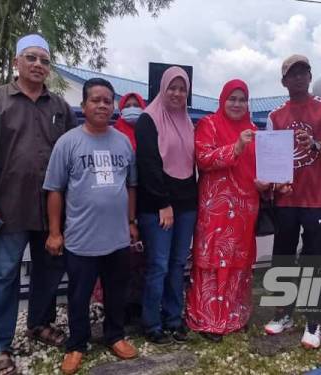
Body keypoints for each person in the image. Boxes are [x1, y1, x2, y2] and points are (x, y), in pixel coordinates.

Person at [0, 34, 77, 374]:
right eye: (31, 58)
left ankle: (39, 324)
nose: (38, 64)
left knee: (49, 271)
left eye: (44, 60)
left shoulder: (60, 107)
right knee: (1, 276)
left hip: (51, 211)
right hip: (8, 208)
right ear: (16, 62)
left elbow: (71, 157)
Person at [44, 78, 138, 375]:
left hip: (118, 238)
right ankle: (77, 345)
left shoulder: (123, 141)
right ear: (83, 105)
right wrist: (55, 232)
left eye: (107, 100)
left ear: (114, 106)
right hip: (81, 239)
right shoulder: (68, 142)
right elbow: (55, 190)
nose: (102, 105)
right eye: (95, 100)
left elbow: (131, 186)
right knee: (78, 295)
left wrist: (131, 222)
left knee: (116, 291)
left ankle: (115, 336)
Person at [263, 54, 321, 349]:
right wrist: (274, 182)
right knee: (283, 257)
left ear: (310, 77)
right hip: (286, 199)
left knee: (313, 260)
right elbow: (270, 161)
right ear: (283, 81)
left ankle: (313, 322)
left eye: (304, 72)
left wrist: (315, 145)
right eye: (292, 74)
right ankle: (283, 313)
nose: (299, 78)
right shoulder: (275, 116)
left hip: (317, 199)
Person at [186, 79, 266, 342]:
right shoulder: (208, 124)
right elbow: (204, 160)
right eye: (232, 98)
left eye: (242, 99)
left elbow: (259, 168)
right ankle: (208, 318)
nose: (237, 104)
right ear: (222, 100)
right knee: (212, 258)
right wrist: (237, 147)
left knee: (238, 259)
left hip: (245, 206)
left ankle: (234, 316)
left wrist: (265, 183)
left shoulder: (254, 129)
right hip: (216, 207)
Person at [135, 66, 198, 344]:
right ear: (162, 88)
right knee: (158, 265)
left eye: (182, 88)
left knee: (177, 264)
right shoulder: (148, 119)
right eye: (172, 87)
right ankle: (152, 323)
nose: (177, 93)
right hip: (158, 206)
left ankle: (174, 319)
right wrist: (163, 203)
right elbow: (148, 165)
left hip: (186, 205)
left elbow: (192, 163)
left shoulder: (187, 120)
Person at [92, 92, 147, 321]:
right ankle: (116, 305)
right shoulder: (112, 136)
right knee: (118, 258)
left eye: (137, 105)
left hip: (148, 203)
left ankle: (137, 302)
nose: (133, 109)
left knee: (141, 257)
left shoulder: (150, 132)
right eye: (128, 105)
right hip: (117, 205)